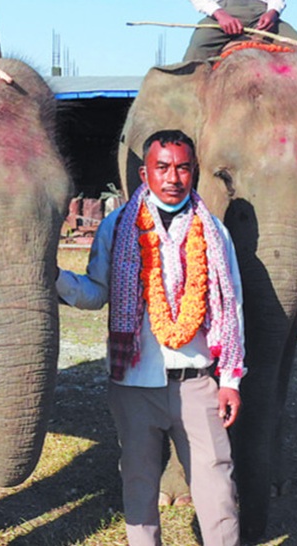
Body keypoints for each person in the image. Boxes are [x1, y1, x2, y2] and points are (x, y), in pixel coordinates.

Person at [57, 130, 245, 546]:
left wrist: (230, 379)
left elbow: (231, 307)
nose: (173, 177)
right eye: (163, 167)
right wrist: (55, 279)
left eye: (182, 167)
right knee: (139, 482)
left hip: (197, 382)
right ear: (146, 172)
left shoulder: (213, 232)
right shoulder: (117, 225)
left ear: (194, 171)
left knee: (218, 484)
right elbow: (95, 293)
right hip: (134, 382)